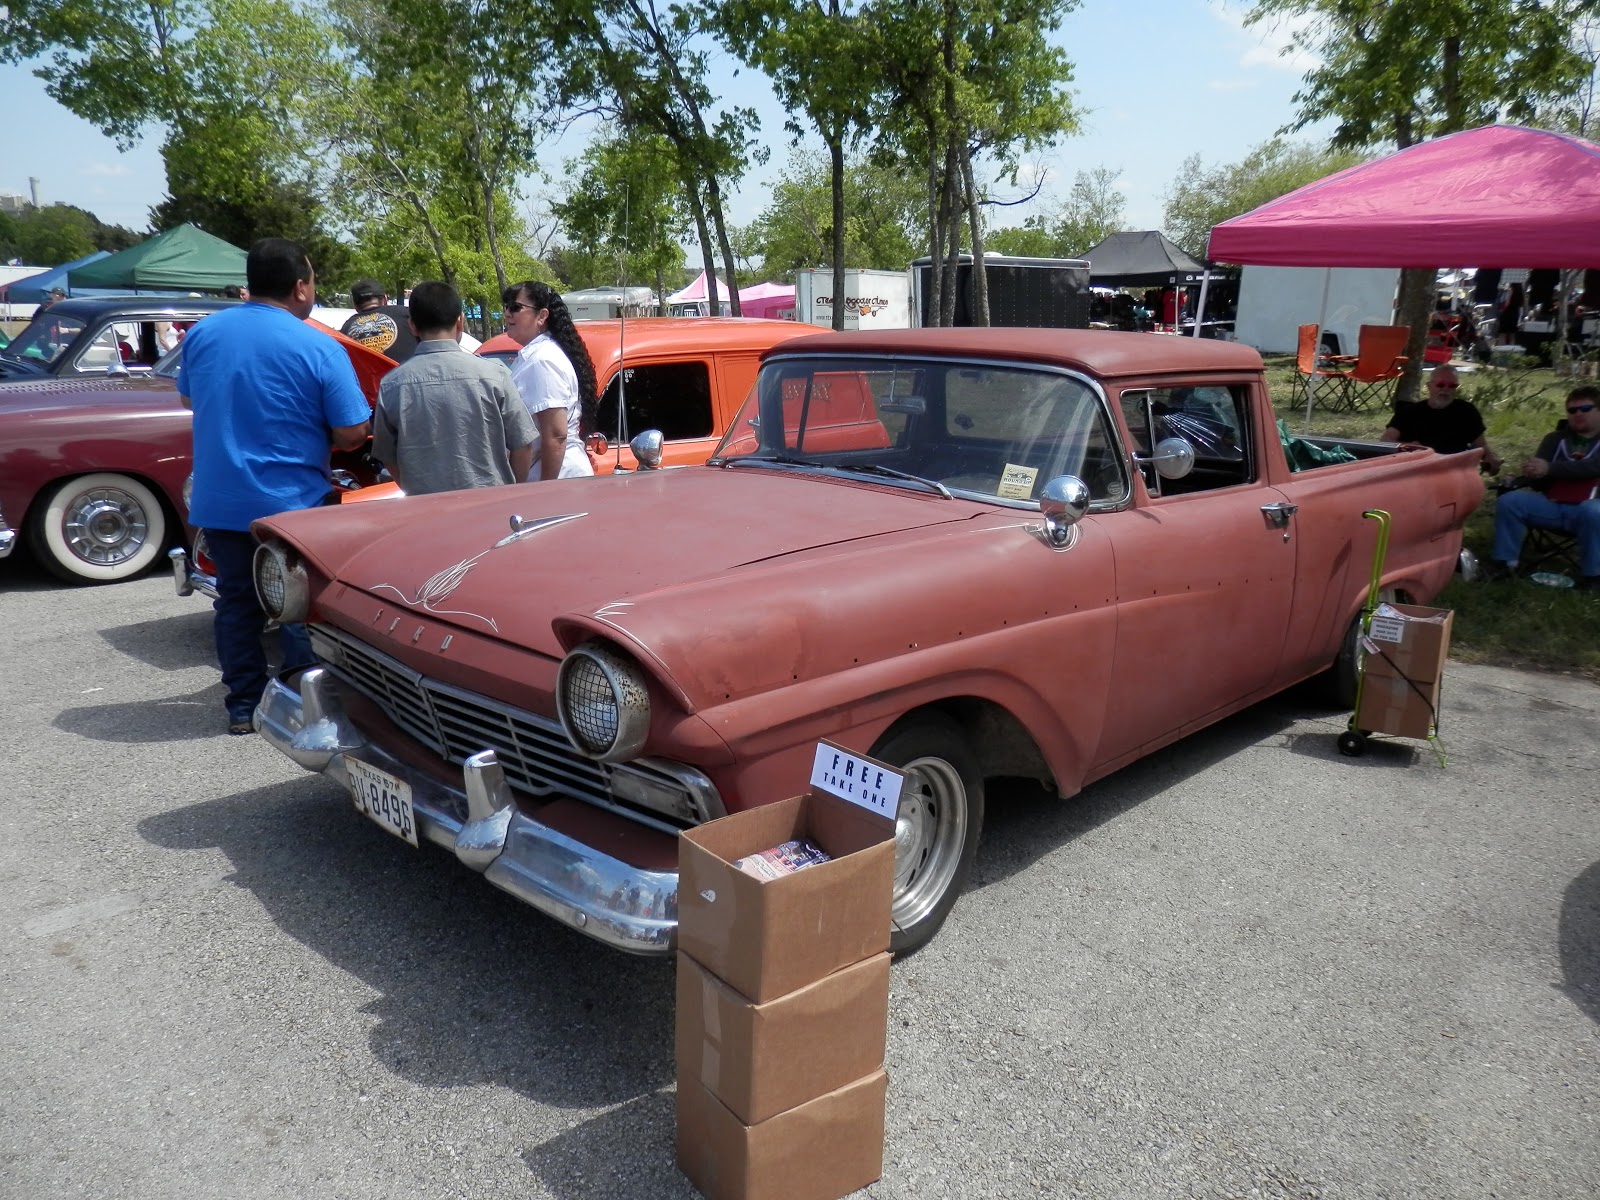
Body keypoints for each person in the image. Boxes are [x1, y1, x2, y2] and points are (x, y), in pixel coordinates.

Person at [178, 237, 372, 734]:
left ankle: (242, 705)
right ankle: (305, 698)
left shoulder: (203, 333)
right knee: (298, 603)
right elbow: (352, 431)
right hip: (294, 504)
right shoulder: (318, 345)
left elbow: (188, 398)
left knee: (236, 600)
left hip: (220, 499)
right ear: (300, 286)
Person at [372, 280, 535, 495]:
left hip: (427, 512)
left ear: (412, 325)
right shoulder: (495, 375)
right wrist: (511, 491)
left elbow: (387, 455)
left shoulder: (392, 385)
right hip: (490, 508)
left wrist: (414, 489)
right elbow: (523, 444)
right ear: (460, 322)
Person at [1484, 385, 1600, 590]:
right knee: (1510, 501)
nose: (1577, 414)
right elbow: (1540, 481)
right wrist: (1531, 474)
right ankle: (1504, 563)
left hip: (1590, 509)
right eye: (1572, 411)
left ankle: (1593, 577)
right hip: (1553, 506)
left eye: (1585, 409)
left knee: (1592, 511)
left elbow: (1592, 467)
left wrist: (1549, 468)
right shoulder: (1555, 439)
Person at [501, 280, 598, 480]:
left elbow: (556, 434)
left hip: (561, 479)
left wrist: (545, 489)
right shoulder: (534, 355)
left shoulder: (542, 360)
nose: (508, 313)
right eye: (506, 307)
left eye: (515, 307)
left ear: (542, 316)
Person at [1381, 365, 1502, 472]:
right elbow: (1386, 441)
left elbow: (1480, 446)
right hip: (1415, 468)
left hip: (1453, 469)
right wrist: (1408, 447)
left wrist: (1490, 458)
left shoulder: (1466, 411)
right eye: (1440, 384)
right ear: (1429, 386)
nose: (1445, 389)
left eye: (1452, 386)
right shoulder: (1409, 411)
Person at [340, 278, 417, 364]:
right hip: (407, 374)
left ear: (355, 305)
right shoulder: (407, 314)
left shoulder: (346, 328)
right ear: (385, 299)